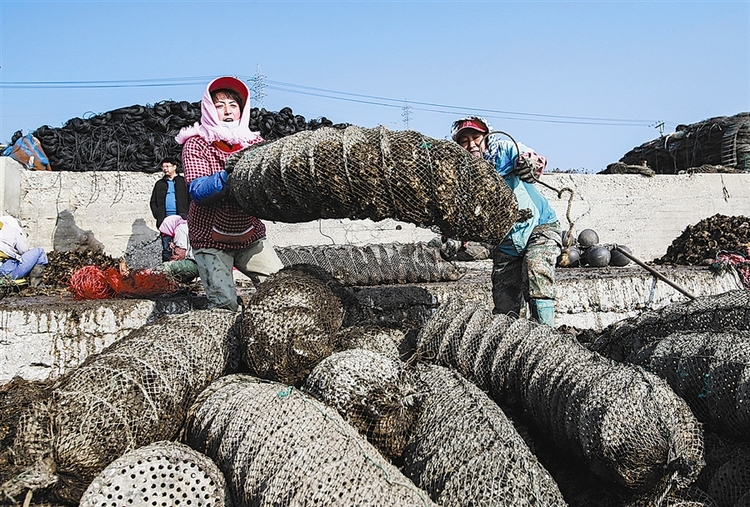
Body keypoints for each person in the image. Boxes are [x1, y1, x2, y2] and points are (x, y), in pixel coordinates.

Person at [175, 76, 284, 311]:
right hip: (210, 239)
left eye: (233, 105)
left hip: (250, 235)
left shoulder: (255, 144)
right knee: (224, 304)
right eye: (220, 105)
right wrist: (230, 175)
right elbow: (198, 190)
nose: (227, 111)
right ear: (208, 108)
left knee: (282, 289)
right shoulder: (196, 143)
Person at [450, 116, 561, 327]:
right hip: (506, 241)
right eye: (464, 141)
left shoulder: (504, 151)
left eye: (476, 137)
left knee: (536, 271)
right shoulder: (462, 175)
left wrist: (530, 164)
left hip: (539, 228)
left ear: (486, 137)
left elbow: (533, 159)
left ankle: (546, 336)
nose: (471, 144)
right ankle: (512, 339)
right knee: (504, 302)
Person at [150, 157, 190, 261]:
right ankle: (166, 271)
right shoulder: (159, 184)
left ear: (174, 167)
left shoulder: (183, 181)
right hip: (165, 220)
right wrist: (157, 214)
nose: (165, 169)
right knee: (166, 247)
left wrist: (187, 214)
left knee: (181, 246)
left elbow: (190, 199)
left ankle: (180, 270)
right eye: (163, 167)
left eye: (167, 166)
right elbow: (153, 201)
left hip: (181, 219)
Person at [0, 215, 49, 283]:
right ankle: (36, 284)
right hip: (6, 272)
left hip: (3, 268)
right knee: (39, 251)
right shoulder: (12, 230)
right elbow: (23, 250)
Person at [155, 215, 199, 283]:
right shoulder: (187, 225)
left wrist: (170, 265)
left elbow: (180, 254)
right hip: (202, 260)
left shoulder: (180, 229)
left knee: (163, 269)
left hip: (195, 263)